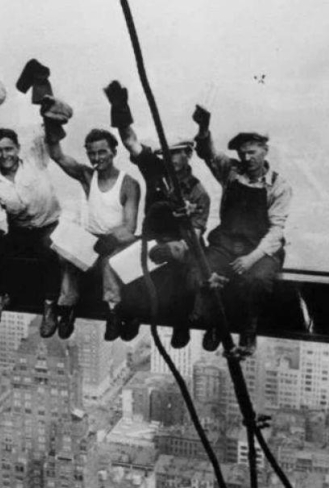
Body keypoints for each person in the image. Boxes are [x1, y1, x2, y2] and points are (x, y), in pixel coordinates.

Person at [104, 81, 211, 346]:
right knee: (118, 263)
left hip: (182, 244)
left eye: (174, 153)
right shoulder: (155, 168)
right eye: (166, 153)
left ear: (188, 154)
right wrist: (120, 107)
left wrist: (176, 244)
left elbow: (195, 238)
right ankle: (126, 313)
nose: (169, 158)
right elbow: (130, 140)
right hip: (152, 237)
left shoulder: (199, 193)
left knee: (186, 276)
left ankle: (181, 322)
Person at [192, 105, 292, 356]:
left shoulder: (278, 186)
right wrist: (203, 128)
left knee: (255, 280)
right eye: (243, 153)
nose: (247, 158)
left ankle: (248, 332)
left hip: (260, 249)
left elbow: (276, 230)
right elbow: (207, 154)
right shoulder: (231, 172)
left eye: (252, 152)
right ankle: (215, 323)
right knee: (204, 269)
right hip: (226, 243)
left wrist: (252, 258)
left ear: (264, 150)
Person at [43, 96, 141, 341]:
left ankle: (113, 312)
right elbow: (57, 155)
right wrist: (50, 122)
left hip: (117, 241)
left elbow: (130, 227)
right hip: (92, 238)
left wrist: (109, 239)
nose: (97, 159)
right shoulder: (88, 176)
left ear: (114, 152)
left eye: (103, 152)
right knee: (65, 256)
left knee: (109, 264)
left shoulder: (128, 184)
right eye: (92, 154)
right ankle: (67, 307)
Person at [0, 128, 66, 337]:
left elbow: (48, 132)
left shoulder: (34, 161)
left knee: (51, 250)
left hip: (48, 225)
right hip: (19, 229)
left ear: (17, 148)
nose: (4, 155)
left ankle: (49, 306)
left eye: (9, 149)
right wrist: (1, 233)